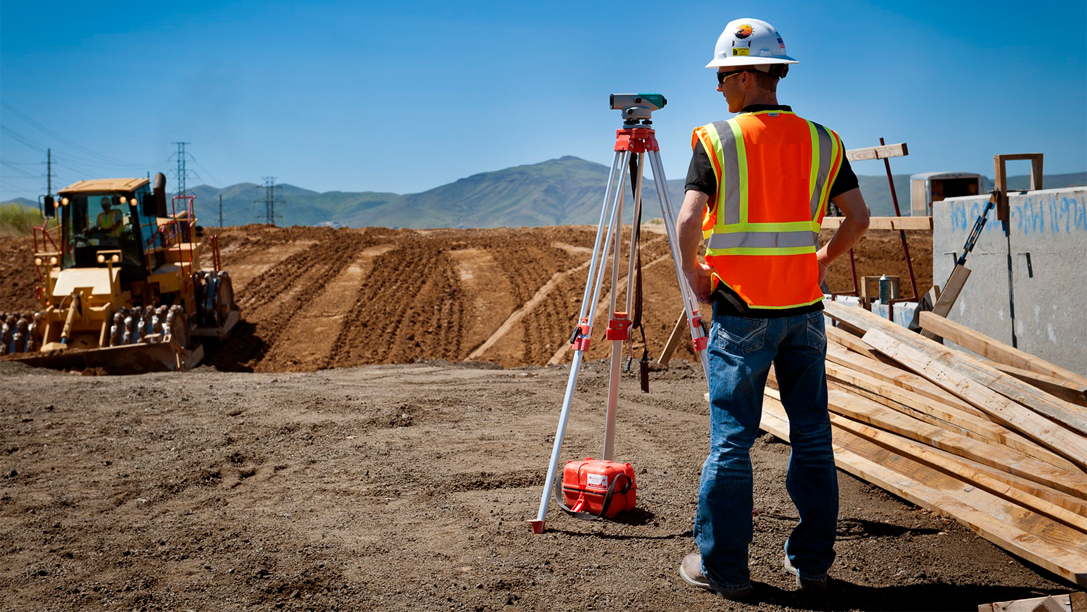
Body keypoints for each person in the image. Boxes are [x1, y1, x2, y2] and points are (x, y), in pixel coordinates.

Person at [675, 18, 870, 601]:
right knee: (812, 436)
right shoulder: (823, 140)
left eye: (721, 77)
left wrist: (695, 276)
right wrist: (821, 261)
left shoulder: (716, 140)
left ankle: (725, 569)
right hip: (804, 310)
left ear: (742, 75)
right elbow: (858, 218)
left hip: (741, 310)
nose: (718, 90)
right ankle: (811, 566)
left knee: (732, 441)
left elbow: (687, 221)